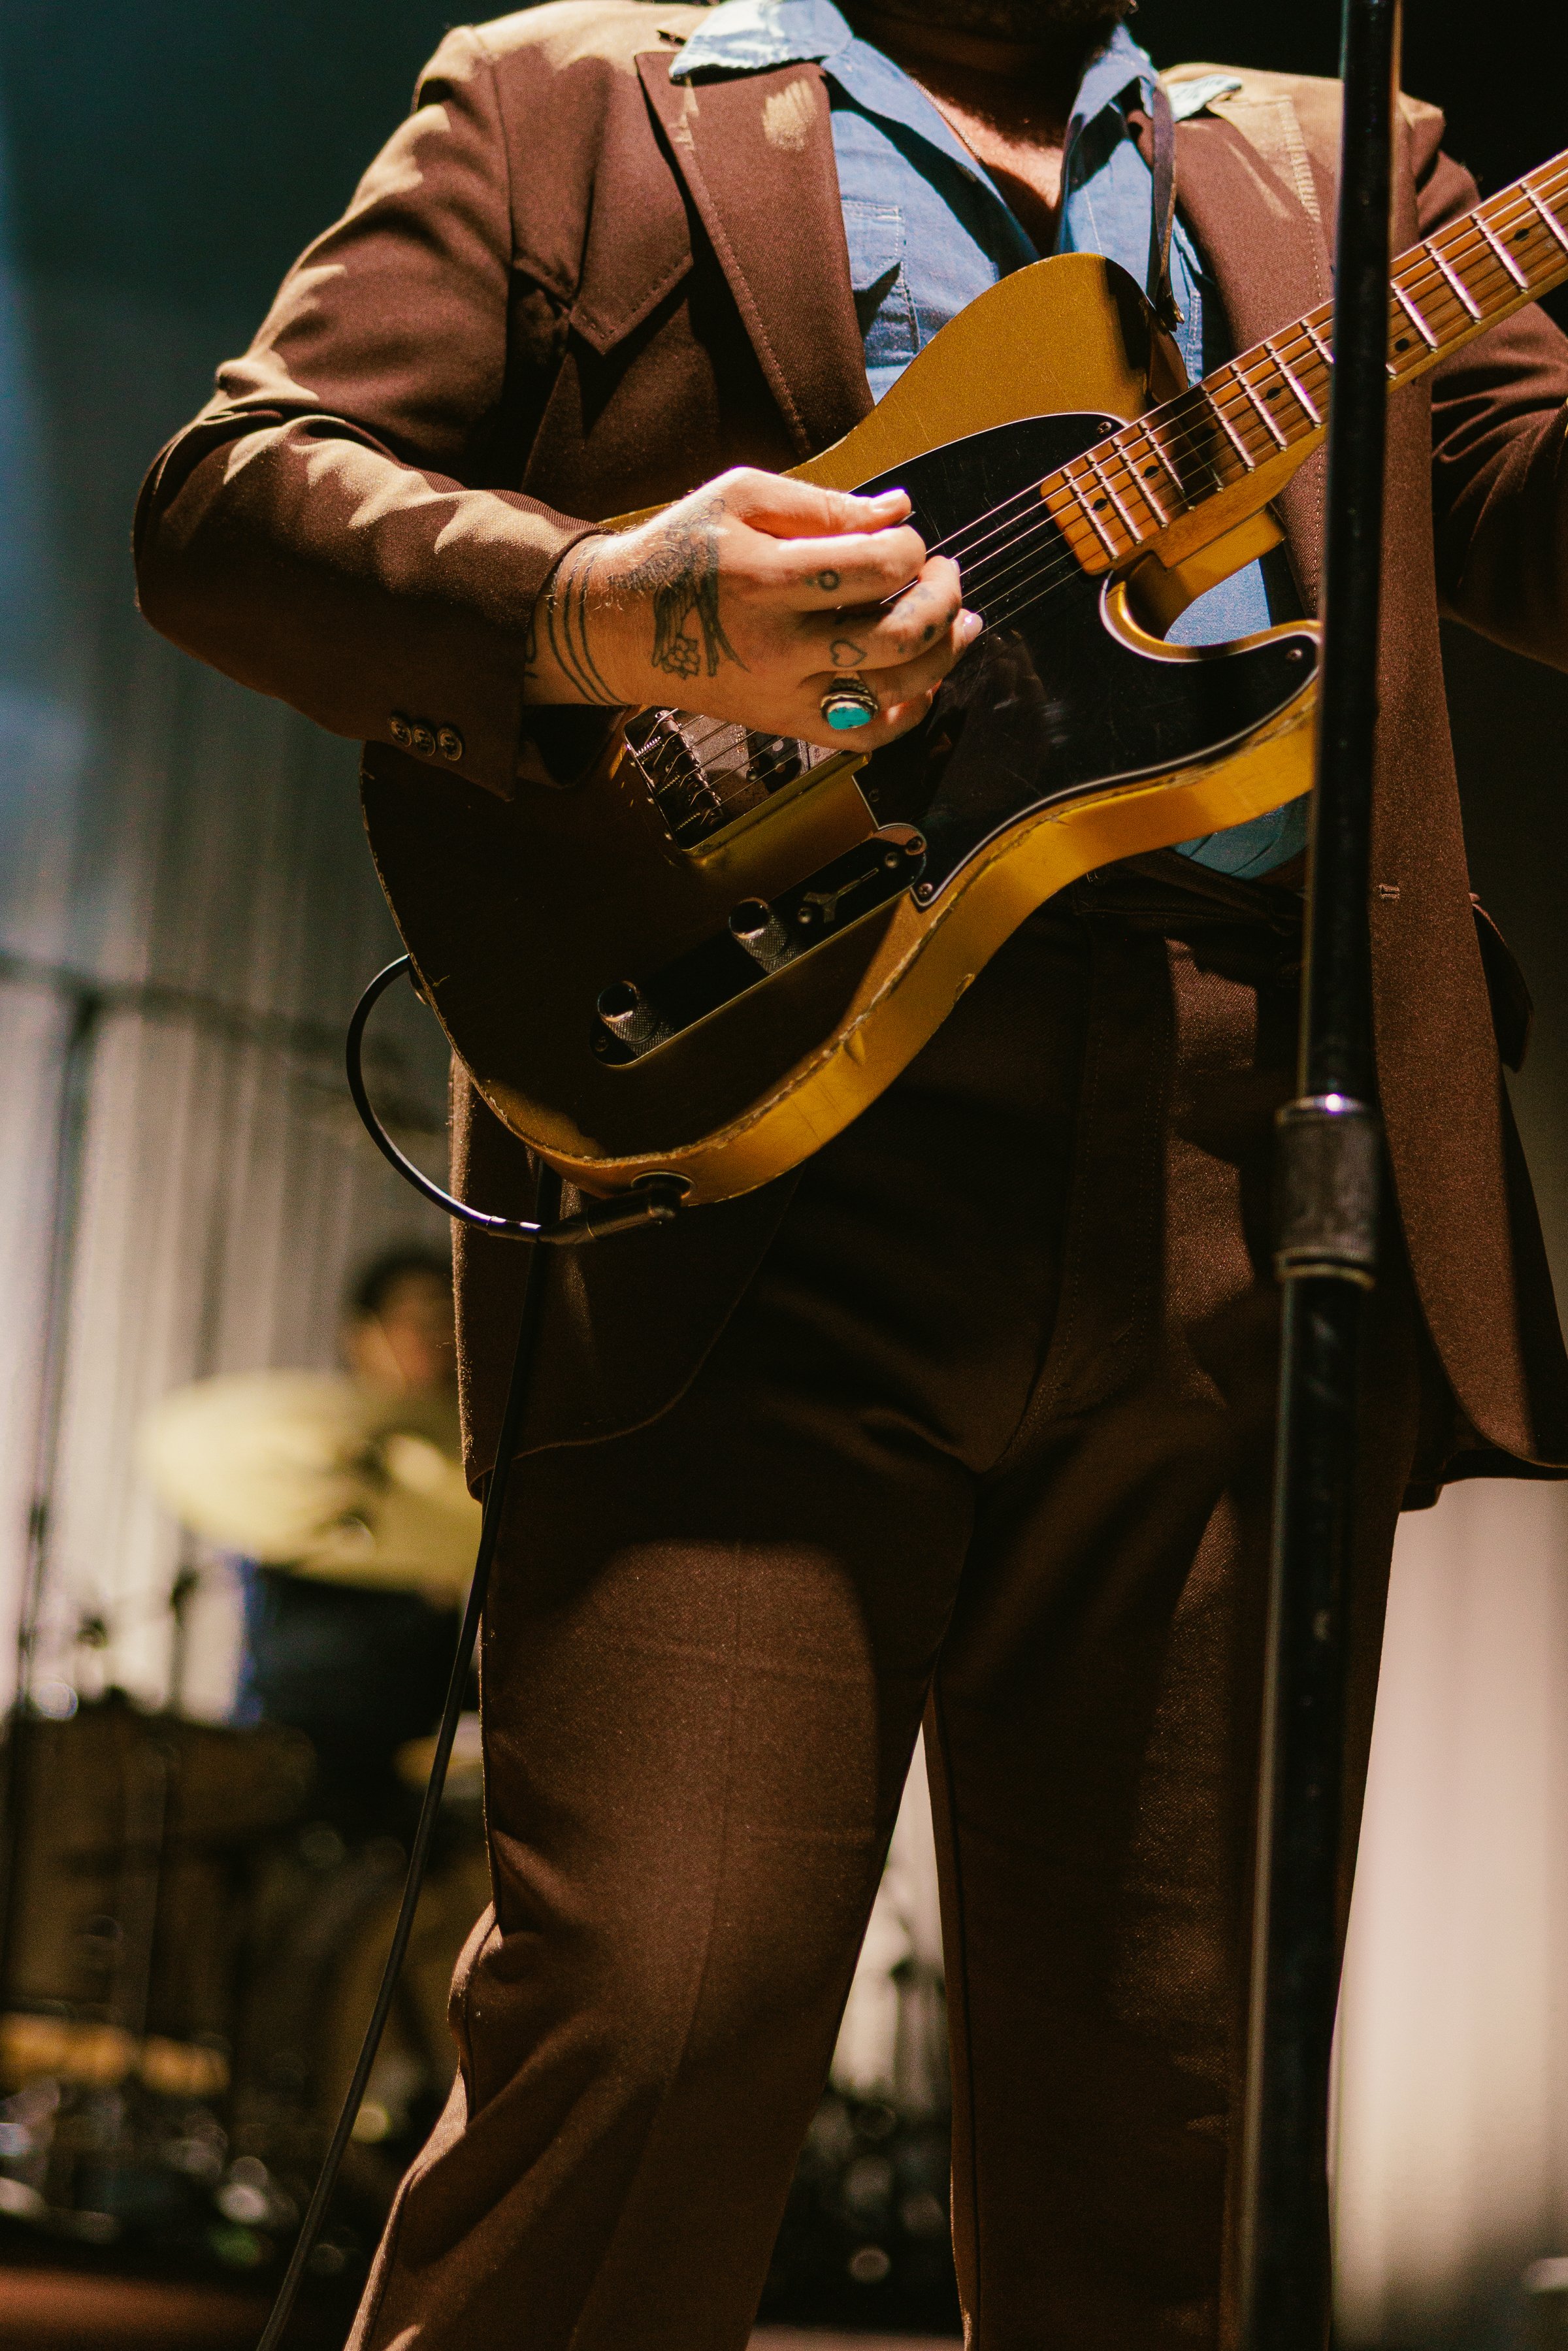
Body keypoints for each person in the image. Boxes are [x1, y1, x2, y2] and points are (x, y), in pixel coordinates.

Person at [130, 0, 1568, 2342]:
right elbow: (230, 498)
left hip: (1233, 1169)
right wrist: (598, 602)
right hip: (758, 1172)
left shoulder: (1346, 162)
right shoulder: (574, 94)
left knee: (1175, 2128)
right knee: (658, 2017)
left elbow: (1525, 521)